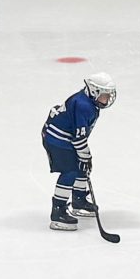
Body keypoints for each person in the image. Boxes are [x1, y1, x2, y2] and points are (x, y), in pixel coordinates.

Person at [41, 73, 116, 231]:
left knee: (83, 167)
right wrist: (85, 155)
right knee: (70, 171)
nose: (108, 98)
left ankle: (79, 201)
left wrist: (84, 157)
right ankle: (58, 212)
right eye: (105, 95)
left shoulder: (90, 103)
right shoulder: (83, 105)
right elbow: (78, 137)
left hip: (66, 137)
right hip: (56, 139)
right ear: (94, 91)